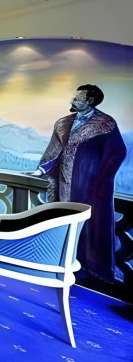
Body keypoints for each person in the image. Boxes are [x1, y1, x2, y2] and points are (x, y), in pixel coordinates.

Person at [34, 84, 126, 283]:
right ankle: (60, 260)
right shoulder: (64, 122)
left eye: (77, 98)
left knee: (87, 225)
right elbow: (54, 151)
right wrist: (41, 170)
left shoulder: (106, 124)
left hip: (90, 186)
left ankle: (86, 267)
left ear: (90, 101)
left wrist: (101, 177)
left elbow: (118, 152)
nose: (72, 101)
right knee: (61, 219)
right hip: (63, 182)